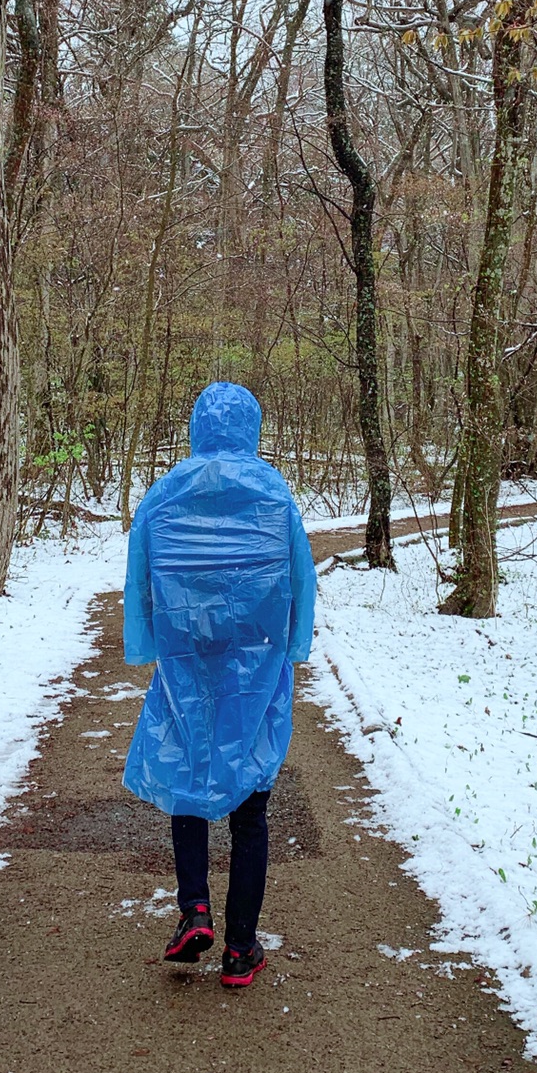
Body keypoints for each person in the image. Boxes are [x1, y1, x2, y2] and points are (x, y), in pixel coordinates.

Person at [120, 381, 316, 989]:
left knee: (188, 774)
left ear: (197, 425)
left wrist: (148, 641)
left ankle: (194, 909)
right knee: (251, 796)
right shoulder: (271, 491)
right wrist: (294, 645)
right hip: (255, 661)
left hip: (188, 653)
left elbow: (140, 569)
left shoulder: (167, 490)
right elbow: (301, 573)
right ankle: (239, 948)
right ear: (251, 427)